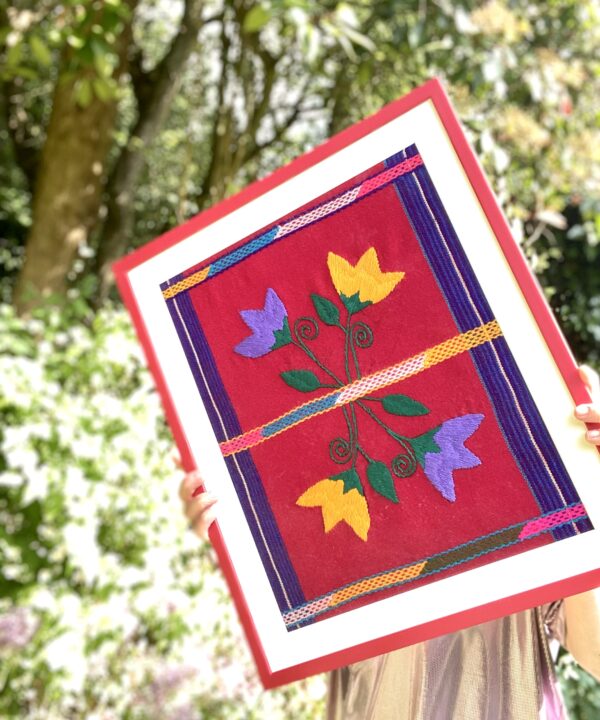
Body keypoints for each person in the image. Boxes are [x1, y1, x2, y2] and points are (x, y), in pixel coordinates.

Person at [179, 365, 600, 719]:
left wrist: (590, 486)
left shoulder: (524, 494)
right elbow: (284, 610)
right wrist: (229, 529)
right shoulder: (340, 510)